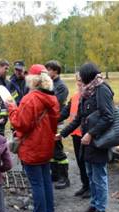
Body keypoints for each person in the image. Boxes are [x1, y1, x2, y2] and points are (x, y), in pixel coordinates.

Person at [58, 62, 115, 212]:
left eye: (80, 77)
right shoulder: (87, 91)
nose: (79, 80)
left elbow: (108, 117)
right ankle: (94, 205)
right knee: (91, 174)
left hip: (98, 142)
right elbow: (79, 118)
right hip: (87, 143)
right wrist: (62, 133)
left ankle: (101, 211)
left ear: (87, 76)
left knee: (99, 176)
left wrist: (90, 133)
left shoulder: (102, 90)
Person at [6, 64, 59, 212]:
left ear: (33, 79)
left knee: (36, 183)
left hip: (32, 147)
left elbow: (20, 124)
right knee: (45, 181)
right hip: (46, 145)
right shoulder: (52, 98)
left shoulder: (31, 99)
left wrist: (11, 107)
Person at [59, 73, 90, 198]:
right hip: (76, 135)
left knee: (87, 162)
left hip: (87, 136)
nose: (79, 83)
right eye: (77, 80)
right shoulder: (75, 97)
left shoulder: (89, 97)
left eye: (81, 81)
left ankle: (90, 188)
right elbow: (64, 113)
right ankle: (85, 185)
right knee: (80, 162)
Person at [45, 60, 70, 189]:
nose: (46, 72)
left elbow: (55, 105)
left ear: (55, 70)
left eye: (48, 69)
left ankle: (64, 178)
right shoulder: (49, 84)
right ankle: (54, 174)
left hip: (56, 122)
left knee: (58, 149)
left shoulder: (61, 86)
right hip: (48, 122)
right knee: (51, 149)